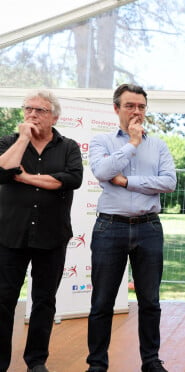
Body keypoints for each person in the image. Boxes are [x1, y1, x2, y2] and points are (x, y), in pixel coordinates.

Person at [86, 84, 176, 372]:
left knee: (150, 300)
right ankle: (97, 364)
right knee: (102, 301)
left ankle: (150, 361)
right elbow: (102, 172)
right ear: (116, 109)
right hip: (110, 227)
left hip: (149, 228)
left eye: (141, 106)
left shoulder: (159, 145)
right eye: (130, 106)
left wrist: (127, 182)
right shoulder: (101, 141)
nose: (137, 111)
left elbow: (169, 183)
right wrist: (133, 144)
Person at [0, 90, 83, 372]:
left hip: (52, 236)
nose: (32, 114)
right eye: (28, 109)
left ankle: (36, 361)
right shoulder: (9, 142)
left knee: (44, 302)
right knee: (3, 301)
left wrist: (22, 176)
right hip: (10, 235)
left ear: (54, 117)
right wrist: (23, 138)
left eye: (40, 110)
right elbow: (2, 170)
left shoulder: (68, 146)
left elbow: (71, 179)